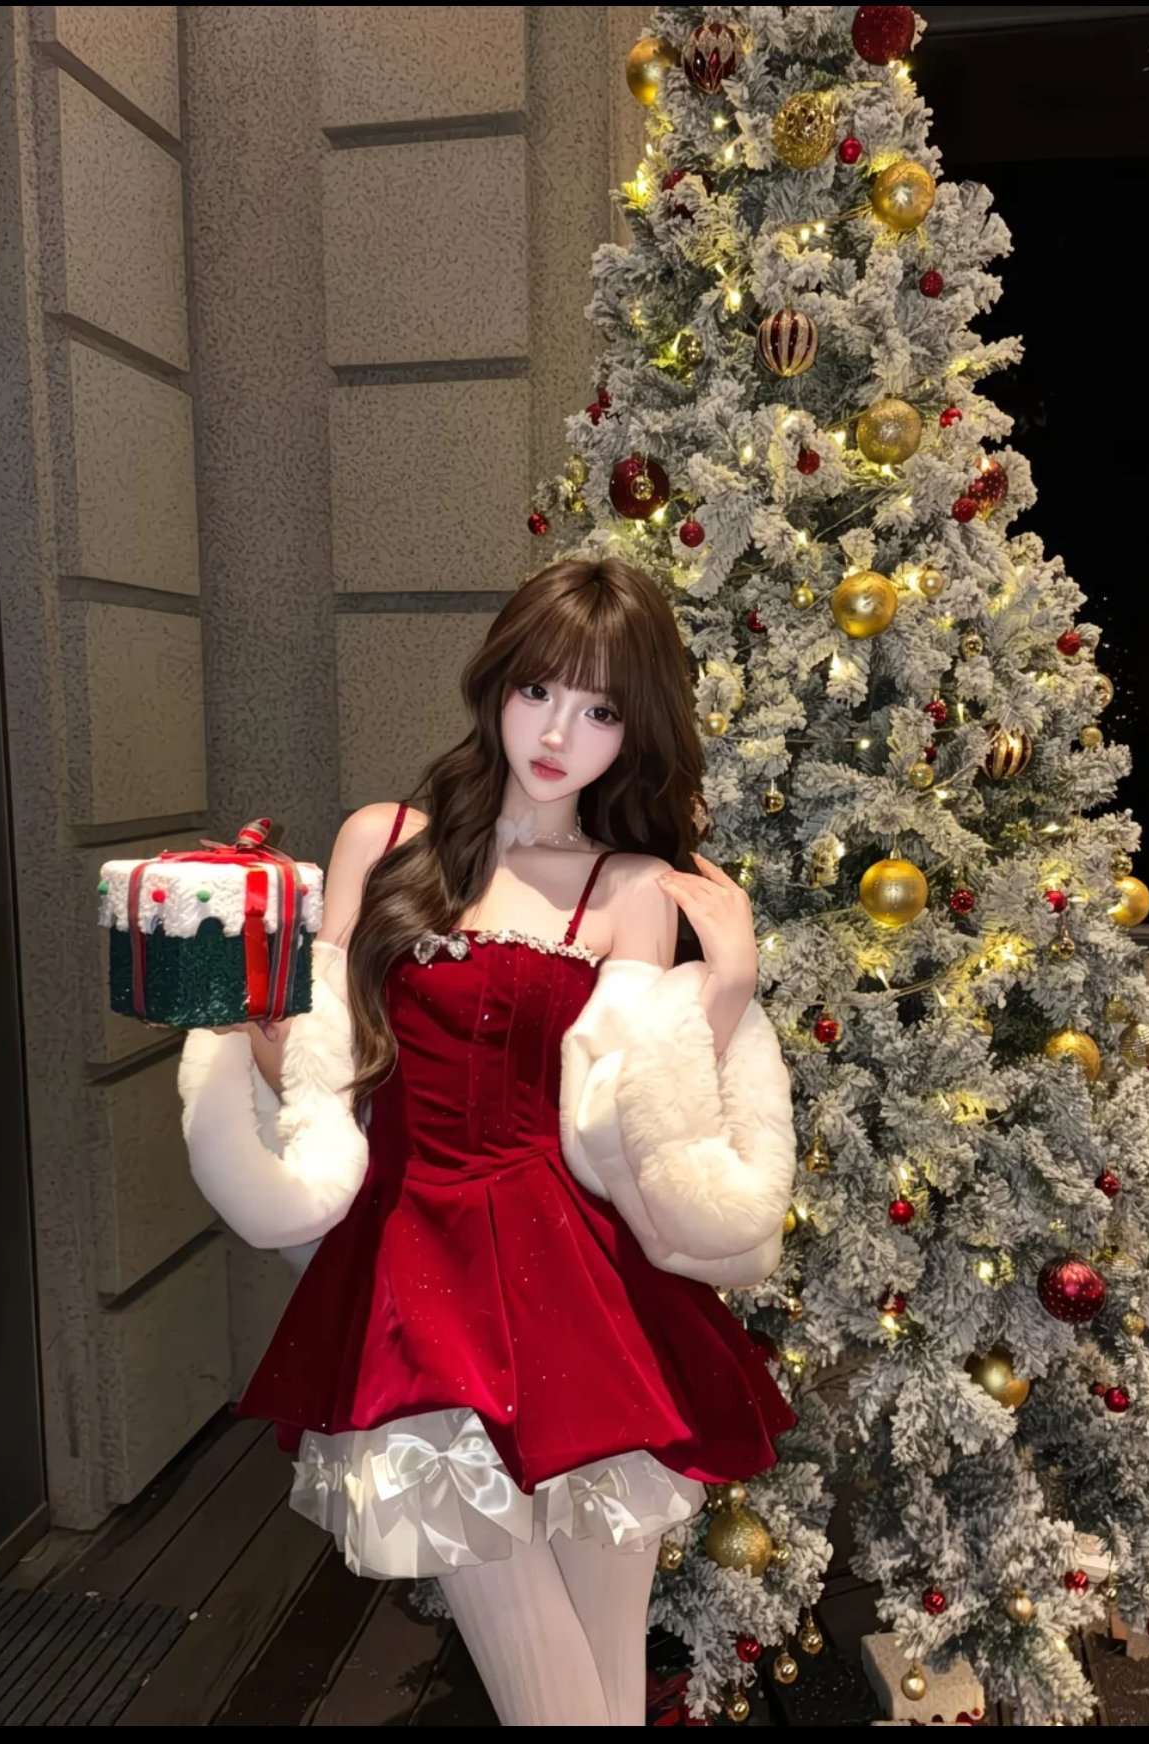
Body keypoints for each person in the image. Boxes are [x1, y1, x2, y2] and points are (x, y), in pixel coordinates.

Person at [178, 557, 797, 1726]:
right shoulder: (382, 838)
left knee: (605, 1679)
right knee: (554, 1697)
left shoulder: (631, 884)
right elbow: (322, 1067)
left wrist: (727, 985)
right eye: (539, 690)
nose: (559, 733)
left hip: (580, 1274)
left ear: (638, 727)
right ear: (496, 683)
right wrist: (245, 1003)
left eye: (602, 709)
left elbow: (640, 1110)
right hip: (414, 1265)